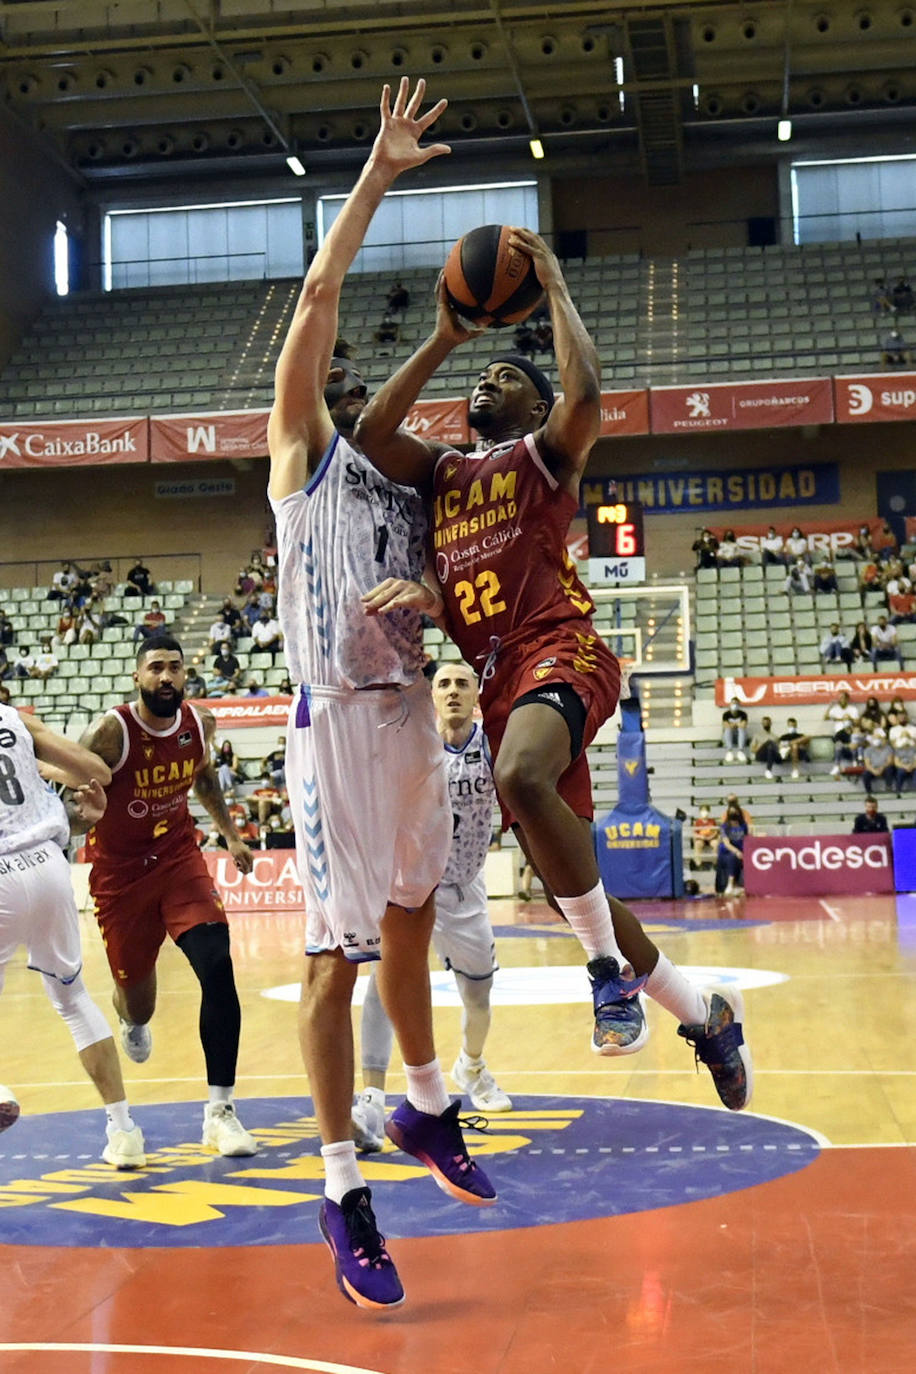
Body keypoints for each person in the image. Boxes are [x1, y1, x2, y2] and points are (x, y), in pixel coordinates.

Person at [354, 215, 751, 1102]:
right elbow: (372, 435)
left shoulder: (541, 457)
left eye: (504, 375)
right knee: (582, 884)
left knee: (522, 779)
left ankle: (607, 976)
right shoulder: (443, 473)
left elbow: (589, 396)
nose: (485, 382)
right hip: (502, 684)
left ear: (533, 409)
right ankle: (706, 1016)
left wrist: (560, 290)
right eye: (482, 375)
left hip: (561, 648)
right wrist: (444, 334)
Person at [266, 77, 496, 1311]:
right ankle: (341, 1186)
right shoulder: (303, 462)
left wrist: (437, 612)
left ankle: (422, 1110)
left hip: (408, 718)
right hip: (333, 731)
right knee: (331, 963)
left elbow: (464, 617)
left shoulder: (417, 502)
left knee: (411, 920)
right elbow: (315, 297)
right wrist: (378, 177)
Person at [78, 633, 258, 1158]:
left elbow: (202, 780)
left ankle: (220, 1112)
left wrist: (228, 833)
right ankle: (132, 1018)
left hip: (179, 859)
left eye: (175, 668)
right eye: (155, 668)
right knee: (138, 1002)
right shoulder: (110, 733)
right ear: (137, 677)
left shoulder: (199, 724)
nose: (166, 677)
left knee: (217, 965)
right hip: (119, 875)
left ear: (185, 674)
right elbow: (72, 792)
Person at [352, 659, 512, 1152]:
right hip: (411, 884)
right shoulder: (412, 740)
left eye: (463, 683)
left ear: (476, 695)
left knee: (479, 998)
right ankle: (372, 1098)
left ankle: (472, 1065)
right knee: (385, 979)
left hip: (464, 890)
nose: (453, 691)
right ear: (431, 694)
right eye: (443, 683)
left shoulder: (492, 744)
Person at [0, 705, 145, 1168]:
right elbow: (97, 770)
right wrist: (43, 769)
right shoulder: (14, 719)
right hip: (47, 865)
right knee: (73, 998)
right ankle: (124, 1131)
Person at [715, 800, 748, 897]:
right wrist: (737, 852)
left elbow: (746, 838)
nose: (733, 814)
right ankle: (730, 885)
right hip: (726, 852)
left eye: (735, 812)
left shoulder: (743, 825)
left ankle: (743, 885)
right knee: (733, 858)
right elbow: (726, 843)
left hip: (740, 850)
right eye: (731, 812)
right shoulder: (725, 826)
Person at [826, 690, 861, 775]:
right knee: (838, 745)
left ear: (847, 699)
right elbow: (826, 717)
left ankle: (855, 762)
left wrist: (849, 719)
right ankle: (836, 766)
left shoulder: (853, 709)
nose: (841, 700)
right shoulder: (835, 709)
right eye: (839, 698)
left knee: (855, 741)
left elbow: (857, 722)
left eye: (843, 698)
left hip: (850, 732)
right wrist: (830, 706)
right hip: (839, 734)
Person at [721, 696, 749, 762]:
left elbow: (743, 725)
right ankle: (729, 751)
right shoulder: (726, 714)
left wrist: (732, 724)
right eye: (733, 703)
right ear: (730, 704)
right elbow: (726, 725)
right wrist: (738, 724)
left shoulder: (743, 714)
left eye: (736, 703)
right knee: (728, 730)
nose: (734, 705)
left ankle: (740, 751)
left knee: (741, 729)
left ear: (739, 705)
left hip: (739, 737)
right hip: (729, 737)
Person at [691, 803, 718, 868]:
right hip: (701, 838)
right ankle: (698, 864)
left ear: (708, 812)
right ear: (700, 812)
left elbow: (716, 831)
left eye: (706, 810)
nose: (704, 812)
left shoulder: (712, 821)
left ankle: (715, 863)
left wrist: (711, 837)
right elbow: (694, 833)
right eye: (702, 810)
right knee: (697, 844)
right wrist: (701, 837)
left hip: (710, 838)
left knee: (716, 844)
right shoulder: (697, 822)